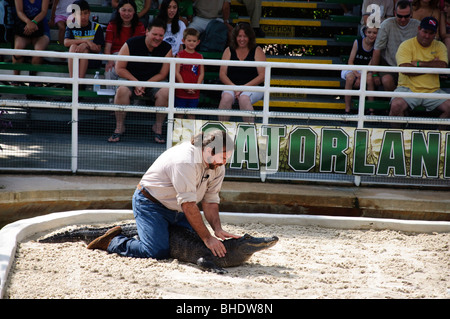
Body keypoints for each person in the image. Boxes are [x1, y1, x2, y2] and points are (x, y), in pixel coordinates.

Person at [87, 129, 240, 261]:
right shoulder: (185, 160)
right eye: (224, 157)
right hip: (151, 204)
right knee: (156, 252)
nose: (225, 162)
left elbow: (210, 201)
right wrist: (208, 237)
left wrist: (217, 229)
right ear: (208, 151)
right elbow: (188, 205)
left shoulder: (217, 165)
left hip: (178, 211)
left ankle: (148, 233)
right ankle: (112, 241)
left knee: (196, 246)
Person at [108, 18, 172, 143]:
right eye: (154, 34)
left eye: (161, 35)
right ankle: (119, 127)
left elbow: (163, 73)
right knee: (121, 91)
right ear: (147, 32)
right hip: (130, 79)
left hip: (153, 82)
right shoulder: (131, 43)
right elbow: (119, 68)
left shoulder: (167, 48)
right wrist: (136, 83)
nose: (158, 38)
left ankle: (158, 128)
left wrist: (144, 84)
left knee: (166, 91)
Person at [390, 16, 450, 120]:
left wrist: (419, 64)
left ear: (435, 33)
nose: (427, 36)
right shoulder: (406, 45)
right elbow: (405, 70)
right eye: (425, 31)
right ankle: (398, 135)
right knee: (396, 106)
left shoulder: (440, 46)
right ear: (419, 29)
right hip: (408, 89)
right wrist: (432, 65)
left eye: (431, 33)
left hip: (433, 90)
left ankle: (439, 134)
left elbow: (443, 66)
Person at [218, 23, 265, 123]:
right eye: (239, 36)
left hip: (253, 87)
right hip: (232, 86)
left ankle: (249, 131)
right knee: (226, 98)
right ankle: (220, 132)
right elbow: (222, 74)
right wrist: (235, 88)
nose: (242, 39)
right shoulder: (228, 50)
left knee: (244, 98)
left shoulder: (257, 50)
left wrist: (243, 88)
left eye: (245, 36)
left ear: (250, 37)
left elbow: (262, 76)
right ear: (235, 37)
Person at [370, 0, 420, 91]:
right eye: (400, 16)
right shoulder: (386, 24)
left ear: (411, 14)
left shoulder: (418, 25)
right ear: (394, 13)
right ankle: (394, 102)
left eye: (406, 16)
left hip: (411, 66)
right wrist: (374, 73)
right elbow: (377, 49)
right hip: (390, 65)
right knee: (386, 80)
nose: (403, 19)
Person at [104, 0, 146, 91]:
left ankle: (136, 103)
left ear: (134, 12)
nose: (126, 13)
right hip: (116, 56)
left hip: (133, 57)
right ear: (118, 10)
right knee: (110, 71)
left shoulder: (140, 26)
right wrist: (110, 61)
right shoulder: (112, 25)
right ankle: (112, 102)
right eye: (124, 10)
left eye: (130, 10)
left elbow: (142, 48)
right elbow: (108, 47)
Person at [341, 26, 379, 114]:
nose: (371, 35)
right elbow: (350, 61)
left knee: (369, 79)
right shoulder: (357, 42)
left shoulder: (377, 46)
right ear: (365, 33)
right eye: (369, 32)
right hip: (354, 68)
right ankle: (347, 109)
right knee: (350, 78)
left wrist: (361, 77)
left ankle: (371, 110)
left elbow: (370, 64)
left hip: (366, 69)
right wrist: (357, 75)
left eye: (374, 33)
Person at [64, 0, 104, 80]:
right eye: (79, 14)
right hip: (75, 58)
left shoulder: (96, 27)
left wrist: (86, 45)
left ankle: (79, 83)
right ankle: (73, 81)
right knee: (73, 46)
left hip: (92, 60)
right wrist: (86, 41)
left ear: (89, 13)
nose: (83, 17)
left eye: (85, 13)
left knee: (85, 50)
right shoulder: (71, 26)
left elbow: (98, 49)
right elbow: (66, 42)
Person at [12, 0, 50, 81]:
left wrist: (33, 22)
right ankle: (15, 78)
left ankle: (33, 79)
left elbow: (44, 11)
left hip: (41, 30)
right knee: (18, 47)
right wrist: (28, 22)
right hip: (23, 28)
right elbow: (19, 11)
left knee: (39, 49)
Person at [175, 27, 204, 119]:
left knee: (191, 114)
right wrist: (184, 86)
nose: (191, 43)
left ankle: (191, 133)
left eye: (194, 41)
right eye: (189, 40)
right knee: (179, 114)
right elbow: (177, 72)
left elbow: (201, 73)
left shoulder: (200, 57)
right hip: (181, 91)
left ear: (198, 42)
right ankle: (178, 133)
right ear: (183, 41)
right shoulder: (180, 55)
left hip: (194, 92)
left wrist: (197, 86)